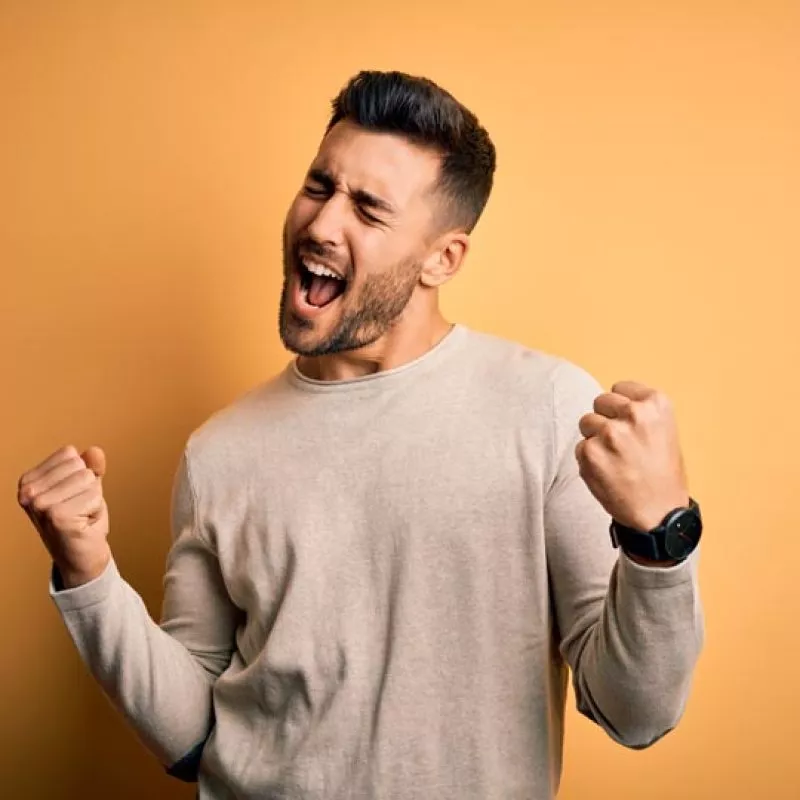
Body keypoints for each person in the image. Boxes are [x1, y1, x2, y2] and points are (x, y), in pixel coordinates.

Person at [17, 70, 704, 800]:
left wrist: (657, 535)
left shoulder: (545, 408)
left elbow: (637, 712)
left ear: (443, 258)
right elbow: (193, 735)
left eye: (369, 210)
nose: (319, 224)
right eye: (319, 186)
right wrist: (89, 575)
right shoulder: (218, 451)